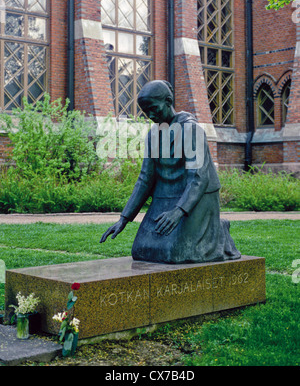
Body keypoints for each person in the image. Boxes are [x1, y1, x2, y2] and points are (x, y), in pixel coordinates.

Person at [100, 80, 241, 264]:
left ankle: (216, 229)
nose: (150, 115)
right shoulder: (153, 135)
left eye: (154, 108)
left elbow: (198, 178)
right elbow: (145, 179)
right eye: (145, 111)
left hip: (196, 197)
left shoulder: (191, 130)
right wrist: (124, 219)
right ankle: (211, 229)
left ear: (168, 101)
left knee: (171, 252)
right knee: (142, 249)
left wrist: (178, 211)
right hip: (166, 196)